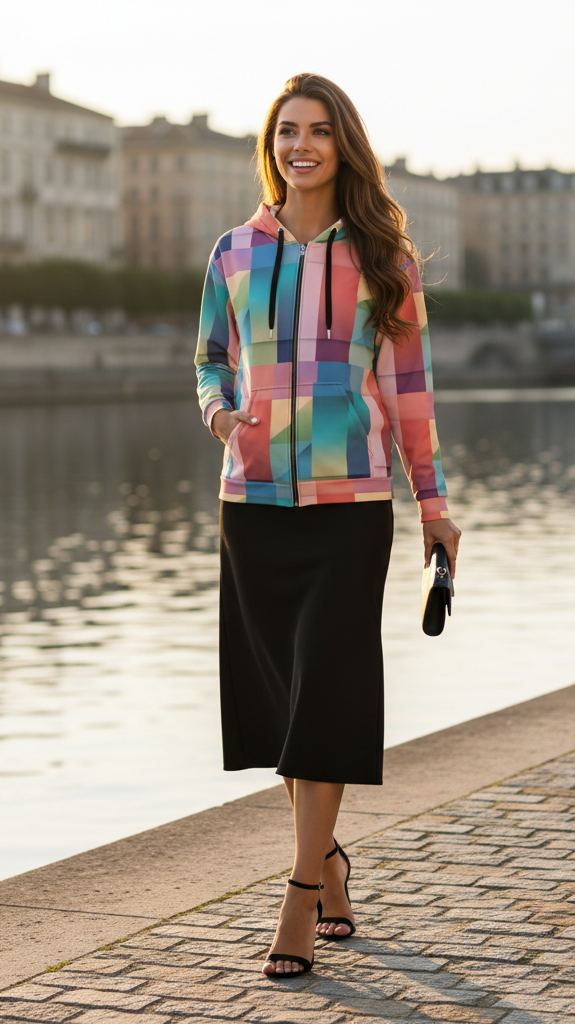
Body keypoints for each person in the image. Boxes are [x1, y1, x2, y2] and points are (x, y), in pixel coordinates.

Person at [195, 73, 461, 978]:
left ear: (343, 143)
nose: (299, 145)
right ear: (270, 146)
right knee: (283, 706)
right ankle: (334, 863)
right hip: (254, 507)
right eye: (285, 132)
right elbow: (208, 361)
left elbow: (410, 393)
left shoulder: (386, 261)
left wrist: (432, 502)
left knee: (331, 690)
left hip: (351, 509)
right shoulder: (233, 251)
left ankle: (300, 892)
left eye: (316, 131)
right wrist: (223, 415)